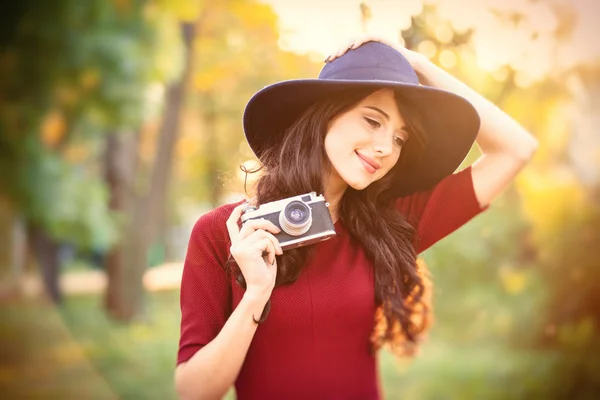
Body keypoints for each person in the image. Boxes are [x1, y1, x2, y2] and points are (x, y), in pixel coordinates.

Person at [174, 37, 538, 400]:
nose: (385, 148)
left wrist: (417, 64)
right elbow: (193, 392)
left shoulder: (391, 227)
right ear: (324, 114)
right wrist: (254, 296)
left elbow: (516, 150)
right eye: (372, 121)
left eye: (399, 138)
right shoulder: (227, 234)